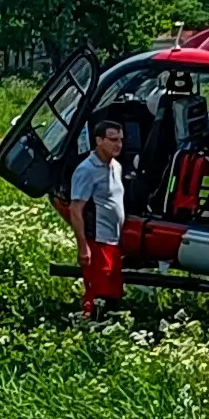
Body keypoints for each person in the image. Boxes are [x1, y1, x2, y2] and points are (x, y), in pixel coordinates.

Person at [63, 117, 131, 312]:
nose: (118, 144)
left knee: (114, 292)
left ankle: (107, 328)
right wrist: (83, 247)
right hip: (98, 240)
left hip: (113, 241)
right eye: (112, 139)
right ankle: (90, 328)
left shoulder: (116, 166)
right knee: (98, 293)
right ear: (99, 140)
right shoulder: (86, 170)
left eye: (120, 140)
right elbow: (76, 209)